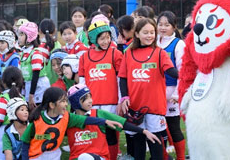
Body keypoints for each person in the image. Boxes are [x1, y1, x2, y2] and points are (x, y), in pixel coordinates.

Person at [118, 18, 178, 160]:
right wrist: (125, 97)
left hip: (154, 107)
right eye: (145, 32)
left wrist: (185, 74)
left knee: (155, 144)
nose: (149, 35)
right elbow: (123, 78)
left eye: (152, 32)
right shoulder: (128, 53)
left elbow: (171, 71)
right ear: (137, 34)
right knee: (138, 144)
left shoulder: (160, 53)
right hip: (135, 108)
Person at [21, 87, 122, 160]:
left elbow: (86, 120)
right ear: (52, 105)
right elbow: (25, 142)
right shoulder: (37, 120)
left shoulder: (67, 117)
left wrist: (105, 121)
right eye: (63, 101)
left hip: (55, 155)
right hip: (36, 156)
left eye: (66, 101)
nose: (66, 104)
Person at [66, 84, 161, 160]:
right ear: (75, 102)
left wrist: (144, 131)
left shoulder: (99, 114)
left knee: (85, 157)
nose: (90, 101)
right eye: (85, 99)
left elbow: (122, 124)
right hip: (76, 157)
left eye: (90, 97)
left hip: (99, 157)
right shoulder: (68, 120)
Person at [78, 17, 123, 160]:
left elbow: (120, 80)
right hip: (93, 104)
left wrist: (121, 100)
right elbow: (82, 83)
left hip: (111, 102)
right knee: (95, 135)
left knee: (111, 134)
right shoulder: (84, 57)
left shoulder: (115, 53)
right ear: (92, 38)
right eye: (102, 38)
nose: (106, 41)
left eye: (108, 37)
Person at [157, 11, 186, 160]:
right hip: (155, 92)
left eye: (166, 25)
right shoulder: (154, 41)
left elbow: (183, 71)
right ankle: (164, 157)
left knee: (173, 127)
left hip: (171, 92)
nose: (162, 27)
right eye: (160, 24)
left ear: (174, 27)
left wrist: (176, 94)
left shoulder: (178, 44)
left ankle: (180, 157)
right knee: (157, 127)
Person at [18, 22, 50, 110]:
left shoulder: (36, 53)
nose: (19, 37)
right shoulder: (23, 53)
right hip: (30, 86)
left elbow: (36, 75)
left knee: (37, 112)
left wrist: (31, 95)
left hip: (38, 87)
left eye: (21, 35)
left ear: (29, 37)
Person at [0, 66, 24, 160]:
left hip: (3, 134)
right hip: (19, 131)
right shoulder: (22, 98)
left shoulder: (3, 99)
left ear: (3, 82)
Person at [38, 18, 62, 85]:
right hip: (56, 82)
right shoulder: (58, 45)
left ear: (39, 31)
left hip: (42, 82)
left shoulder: (38, 47)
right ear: (55, 31)